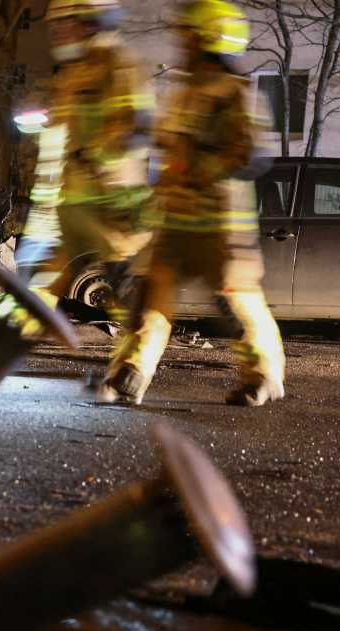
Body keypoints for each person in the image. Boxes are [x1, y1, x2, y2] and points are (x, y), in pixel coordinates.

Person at [98, 0, 286, 406]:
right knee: (151, 297)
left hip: (220, 227)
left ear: (208, 40)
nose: (180, 42)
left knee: (235, 303)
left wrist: (204, 161)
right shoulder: (184, 92)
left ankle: (264, 375)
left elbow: (253, 155)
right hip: (175, 222)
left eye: (188, 35)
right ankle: (131, 371)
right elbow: (166, 145)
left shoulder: (235, 94)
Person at [20, 0, 153, 315]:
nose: (60, 33)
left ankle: (135, 360)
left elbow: (134, 128)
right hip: (71, 202)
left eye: (68, 23)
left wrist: (93, 157)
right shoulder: (69, 75)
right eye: (56, 25)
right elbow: (57, 134)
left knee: (126, 300)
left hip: (111, 203)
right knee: (40, 287)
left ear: (94, 21)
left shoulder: (119, 65)